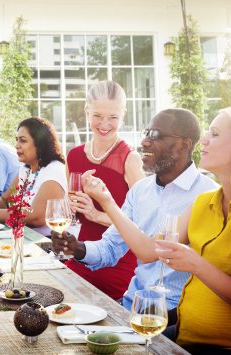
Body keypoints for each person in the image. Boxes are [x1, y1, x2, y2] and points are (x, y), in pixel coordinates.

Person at [82, 107, 231, 354]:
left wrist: (196, 264)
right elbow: (150, 251)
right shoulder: (204, 202)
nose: (204, 140)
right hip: (184, 336)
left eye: (214, 134)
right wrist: (106, 200)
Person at [52, 108, 218, 310]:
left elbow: (152, 252)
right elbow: (110, 248)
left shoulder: (209, 195)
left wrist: (106, 202)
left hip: (175, 314)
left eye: (155, 135)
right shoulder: (140, 191)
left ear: (185, 144)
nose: (145, 142)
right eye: (146, 133)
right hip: (132, 306)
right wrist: (78, 248)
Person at [66, 80, 145, 300]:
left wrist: (97, 215)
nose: (105, 124)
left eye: (113, 117)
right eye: (98, 115)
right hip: (79, 258)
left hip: (118, 267)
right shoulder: (73, 156)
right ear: (86, 112)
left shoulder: (130, 159)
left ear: (123, 115)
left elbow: (144, 227)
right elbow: (70, 214)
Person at [0, 117, 67, 236]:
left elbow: (36, 217)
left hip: (47, 243)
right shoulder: (26, 169)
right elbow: (6, 201)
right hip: (22, 236)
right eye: (16, 140)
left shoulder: (54, 169)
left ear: (40, 143)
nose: (16, 145)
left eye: (23, 141)